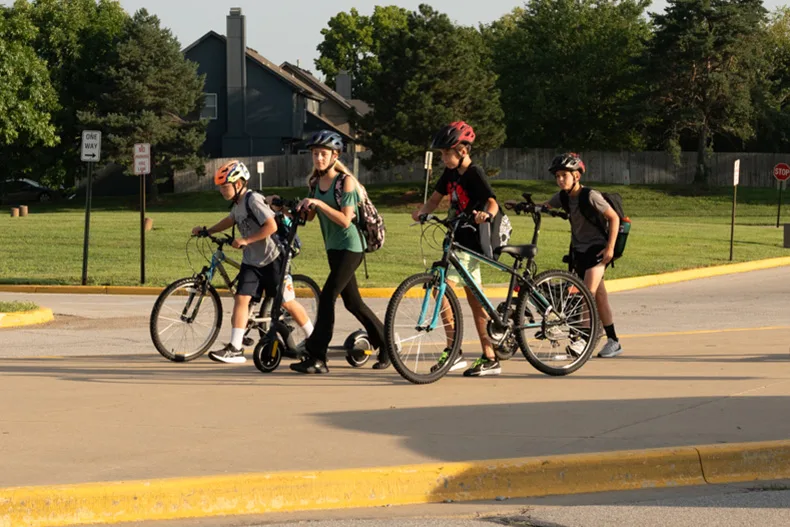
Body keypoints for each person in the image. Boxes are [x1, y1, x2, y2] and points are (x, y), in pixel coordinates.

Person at [191, 160, 313, 364]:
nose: (222, 190)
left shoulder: (253, 199)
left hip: (273, 259)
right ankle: (235, 349)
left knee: (287, 303)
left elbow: (271, 226)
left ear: (238, 184)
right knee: (241, 299)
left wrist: (246, 240)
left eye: (225, 186)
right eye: (220, 186)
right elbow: (230, 220)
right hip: (252, 261)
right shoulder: (238, 204)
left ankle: (315, 339)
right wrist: (207, 230)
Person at [412, 121, 505, 377]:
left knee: (443, 290)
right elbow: (435, 198)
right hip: (456, 238)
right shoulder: (450, 173)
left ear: (462, 151)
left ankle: (454, 351)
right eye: (441, 154)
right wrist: (422, 212)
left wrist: (486, 215)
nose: (443, 158)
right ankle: (489, 356)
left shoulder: (474, 172)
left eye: (445, 153)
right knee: (473, 301)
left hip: (472, 239)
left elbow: (492, 201)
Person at [290, 130, 388, 374]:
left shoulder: (346, 182)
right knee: (353, 303)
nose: (318, 159)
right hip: (333, 248)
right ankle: (387, 345)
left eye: (323, 154)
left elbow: (345, 220)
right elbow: (311, 216)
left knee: (327, 296)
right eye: (315, 154)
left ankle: (317, 357)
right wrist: (293, 207)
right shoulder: (315, 183)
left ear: (335, 155)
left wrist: (320, 203)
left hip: (352, 247)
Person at [543, 152, 623, 358]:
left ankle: (583, 340)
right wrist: (524, 205)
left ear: (577, 176)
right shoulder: (563, 196)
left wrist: (610, 248)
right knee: (599, 296)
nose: (560, 179)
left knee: (586, 294)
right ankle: (613, 341)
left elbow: (614, 218)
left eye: (565, 175)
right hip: (578, 251)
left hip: (597, 250)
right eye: (558, 176)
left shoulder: (590, 196)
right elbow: (545, 206)